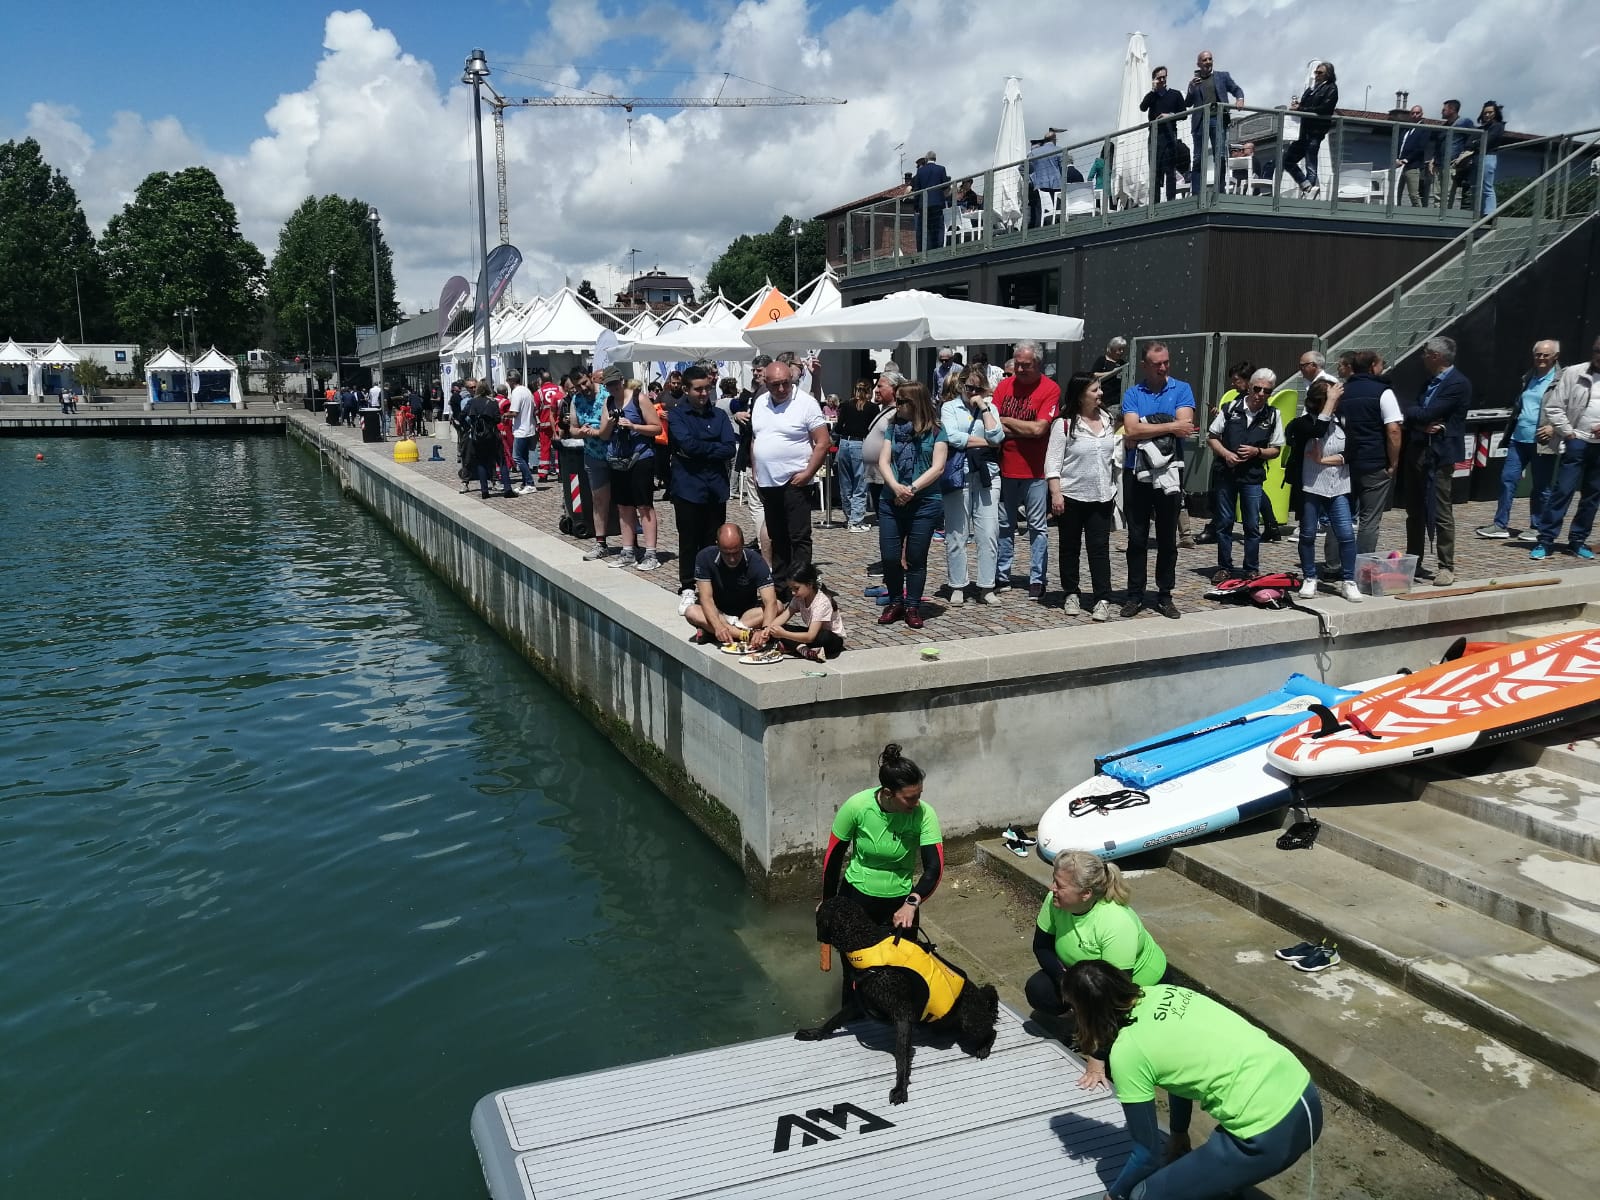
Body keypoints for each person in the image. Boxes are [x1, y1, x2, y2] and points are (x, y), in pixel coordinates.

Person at [1061, 960, 1322, 1200]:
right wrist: (1178, 1131)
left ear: (1086, 1013)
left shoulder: (1127, 1053)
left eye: (1073, 1008)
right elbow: (1179, 1075)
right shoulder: (1164, 992)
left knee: (1142, 1194)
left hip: (1265, 1135)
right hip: (1304, 1095)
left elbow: (1146, 1155)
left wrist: (1114, 1196)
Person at [1024, 851, 1169, 1088]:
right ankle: (1083, 1022)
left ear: (1086, 894)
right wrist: (1068, 984)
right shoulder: (1055, 901)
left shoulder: (1115, 923)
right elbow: (1042, 947)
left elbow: (1116, 999)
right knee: (1039, 990)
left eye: (1059, 885)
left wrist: (1096, 1058)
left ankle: (1101, 1036)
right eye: (1054, 880)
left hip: (1134, 989)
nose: (1052, 888)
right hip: (1088, 978)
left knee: (1120, 1059)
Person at [820, 742, 942, 932]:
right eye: (910, 798)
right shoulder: (856, 806)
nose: (917, 803)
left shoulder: (925, 814)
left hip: (901, 903)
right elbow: (833, 859)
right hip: (855, 896)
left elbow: (934, 868)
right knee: (857, 961)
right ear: (888, 793)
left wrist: (912, 903)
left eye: (919, 795)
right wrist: (828, 903)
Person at [1121, 343, 1196, 619]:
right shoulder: (1133, 393)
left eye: (1166, 362)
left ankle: (1165, 594)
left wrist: (1146, 427)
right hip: (1136, 472)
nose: (1163, 367)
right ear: (1145, 365)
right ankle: (1135, 594)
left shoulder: (1181, 389)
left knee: (1167, 538)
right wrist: (1169, 425)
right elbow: (1130, 428)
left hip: (1169, 472)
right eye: (1157, 364)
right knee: (1137, 537)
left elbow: (1185, 426)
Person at [751, 359, 830, 593]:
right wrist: (756, 468)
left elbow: (823, 442)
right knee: (777, 536)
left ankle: (802, 585)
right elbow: (756, 438)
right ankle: (781, 585)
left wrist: (807, 473)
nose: (782, 389)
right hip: (768, 482)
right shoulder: (760, 402)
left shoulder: (806, 403)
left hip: (795, 481)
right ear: (766, 382)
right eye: (775, 385)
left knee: (799, 537)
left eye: (785, 383)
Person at [876, 382, 950, 629]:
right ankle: (896, 601)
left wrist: (912, 489)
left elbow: (937, 467)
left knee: (916, 557)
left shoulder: (937, 431)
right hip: (891, 499)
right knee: (890, 557)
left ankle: (912, 605)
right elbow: (883, 461)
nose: (896, 405)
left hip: (925, 502)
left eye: (901, 401)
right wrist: (897, 487)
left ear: (915, 403)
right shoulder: (893, 427)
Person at [1046, 371, 1119, 620]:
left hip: (1101, 496)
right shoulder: (1064, 424)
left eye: (1099, 389)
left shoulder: (1108, 419)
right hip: (1072, 496)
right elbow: (1052, 464)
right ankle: (1071, 593)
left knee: (1099, 549)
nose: (1100, 394)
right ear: (1080, 396)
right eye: (1094, 390)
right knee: (1070, 547)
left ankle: (1102, 597)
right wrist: (1056, 494)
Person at [1322, 348, 1404, 567]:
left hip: (1344, 461)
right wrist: (1393, 463)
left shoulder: (1341, 391)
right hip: (1374, 462)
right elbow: (1394, 430)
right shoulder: (1383, 391)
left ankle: (1333, 564)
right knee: (1369, 519)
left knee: (1339, 514)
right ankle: (1360, 567)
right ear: (1372, 367)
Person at [1403, 336, 1473, 586]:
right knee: (1414, 511)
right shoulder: (1428, 383)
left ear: (1436, 357)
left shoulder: (1457, 384)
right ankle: (1414, 561)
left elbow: (1427, 412)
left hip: (1440, 455)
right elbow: (1414, 412)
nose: (1422, 358)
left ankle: (1446, 566)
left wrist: (1416, 416)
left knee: (1441, 510)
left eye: (1425, 353)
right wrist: (1419, 421)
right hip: (1419, 450)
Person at [995, 340, 1061, 599]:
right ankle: (1002, 574)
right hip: (1005, 468)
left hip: (1036, 471)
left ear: (1038, 364)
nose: (1020, 370)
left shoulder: (1050, 389)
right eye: (1018, 365)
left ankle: (1037, 578)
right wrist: (1023, 426)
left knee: (1037, 527)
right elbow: (992, 426)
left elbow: (1040, 430)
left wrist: (1007, 422)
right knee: (1004, 525)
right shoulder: (1003, 386)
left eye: (1026, 366)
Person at [668, 364, 738, 604]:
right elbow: (687, 445)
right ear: (687, 389)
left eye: (706, 388)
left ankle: (711, 584)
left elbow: (729, 447)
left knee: (712, 539)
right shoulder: (677, 414)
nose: (703, 393)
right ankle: (687, 585)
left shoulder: (718, 415)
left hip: (715, 487)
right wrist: (711, 448)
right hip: (688, 486)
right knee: (688, 538)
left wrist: (702, 450)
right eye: (698, 389)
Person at [1477, 340, 1560, 541]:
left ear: (1555, 357)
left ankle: (1538, 527)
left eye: (1545, 355)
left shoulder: (1561, 380)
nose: (1541, 358)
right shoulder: (1529, 377)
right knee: (1507, 479)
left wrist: (1553, 427)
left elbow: (1570, 408)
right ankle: (1500, 524)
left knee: (1541, 486)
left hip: (1542, 440)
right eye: (1538, 354)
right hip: (1519, 438)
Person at [1207, 368, 1284, 583]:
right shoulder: (1231, 408)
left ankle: (1251, 567)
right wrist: (1226, 454)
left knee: (1251, 524)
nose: (1260, 394)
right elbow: (1212, 437)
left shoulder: (1273, 414)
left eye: (1266, 391)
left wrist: (1257, 452)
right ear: (1249, 387)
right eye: (1257, 388)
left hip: (1252, 475)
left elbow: (1276, 449)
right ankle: (1224, 567)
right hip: (1227, 473)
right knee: (1224, 522)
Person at [1293, 379, 1363, 602]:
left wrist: (1325, 460)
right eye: (1332, 398)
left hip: (1339, 487)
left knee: (1345, 534)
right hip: (1311, 486)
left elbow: (1352, 452)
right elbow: (1317, 430)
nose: (1337, 401)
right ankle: (1310, 577)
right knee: (1308, 534)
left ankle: (1349, 580)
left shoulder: (1343, 420)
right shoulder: (1302, 424)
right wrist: (1329, 402)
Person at [1532, 334, 1600, 561]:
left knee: (1592, 495)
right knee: (1563, 490)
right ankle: (1545, 540)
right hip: (1576, 440)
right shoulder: (1574, 373)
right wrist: (1568, 432)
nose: (1598, 356)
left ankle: (1577, 540)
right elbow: (1554, 407)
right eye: (1597, 351)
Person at [941, 369, 1005, 606]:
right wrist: (986, 442)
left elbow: (997, 437)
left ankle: (987, 586)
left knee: (989, 532)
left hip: (987, 475)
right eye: (969, 387)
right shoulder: (949, 407)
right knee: (956, 532)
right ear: (961, 386)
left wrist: (985, 408)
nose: (974, 393)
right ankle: (958, 584)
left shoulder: (991, 408)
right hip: (960, 474)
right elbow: (953, 437)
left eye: (979, 388)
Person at [683, 523, 782, 646]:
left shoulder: (756, 561)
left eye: (736, 552)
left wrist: (764, 630)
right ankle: (743, 635)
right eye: (726, 553)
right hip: (718, 613)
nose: (732, 559)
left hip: (746, 616)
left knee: (778, 606)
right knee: (691, 611)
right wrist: (718, 626)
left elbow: (770, 601)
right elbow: (706, 598)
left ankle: (713, 631)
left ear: (743, 544)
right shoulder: (705, 557)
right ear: (717, 545)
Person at [604, 369, 662, 571]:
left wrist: (634, 426)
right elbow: (604, 435)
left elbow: (657, 428)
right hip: (618, 460)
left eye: (615, 384)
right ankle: (628, 550)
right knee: (623, 506)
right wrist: (610, 425)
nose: (613, 388)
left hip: (640, 457)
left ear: (622, 381)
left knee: (644, 505)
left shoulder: (639, 398)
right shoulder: (609, 402)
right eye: (608, 385)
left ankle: (651, 553)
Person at [569, 369, 618, 560]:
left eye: (584, 382)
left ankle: (632, 544)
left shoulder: (607, 394)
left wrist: (598, 432)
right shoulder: (576, 400)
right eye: (578, 386)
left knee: (624, 501)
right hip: (593, 455)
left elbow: (613, 424)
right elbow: (572, 428)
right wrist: (580, 431)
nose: (583, 388)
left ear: (590, 378)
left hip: (615, 452)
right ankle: (600, 543)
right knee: (599, 500)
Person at [1185, 50, 1245, 193]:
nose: (1208, 62)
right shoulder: (1194, 82)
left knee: (1220, 155)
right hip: (1200, 122)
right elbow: (1187, 103)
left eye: (1210, 59)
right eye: (1204, 60)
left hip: (1218, 119)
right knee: (1198, 158)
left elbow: (1236, 89)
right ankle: (1196, 193)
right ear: (1198, 64)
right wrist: (1191, 89)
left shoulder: (1222, 76)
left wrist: (1240, 99)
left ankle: (1220, 190)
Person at [763, 563, 846, 662]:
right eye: (791, 589)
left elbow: (811, 636)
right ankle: (805, 650)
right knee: (779, 628)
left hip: (830, 639)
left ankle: (795, 646)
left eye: (796, 588)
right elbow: (784, 616)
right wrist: (767, 630)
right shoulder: (799, 598)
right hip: (812, 635)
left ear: (809, 585)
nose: (793, 592)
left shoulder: (821, 602)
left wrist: (784, 634)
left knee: (823, 637)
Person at [1283, 62, 1338, 196]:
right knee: (1287, 160)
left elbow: (1324, 109)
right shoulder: (1313, 88)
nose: (1317, 75)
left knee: (1310, 162)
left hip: (1316, 131)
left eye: (1320, 73)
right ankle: (1307, 185)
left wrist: (1301, 108)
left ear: (1328, 74)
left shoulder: (1331, 88)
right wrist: (1298, 106)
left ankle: (1309, 187)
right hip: (1304, 130)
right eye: (1316, 72)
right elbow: (1305, 105)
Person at [1139, 67, 1186, 203]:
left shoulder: (1175, 94)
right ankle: (1155, 204)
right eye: (1159, 78)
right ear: (1154, 80)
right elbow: (1142, 107)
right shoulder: (1152, 96)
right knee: (1154, 172)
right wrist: (1153, 91)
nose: (1163, 80)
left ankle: (1170, 201)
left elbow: (1183, 114)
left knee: (1170, 171)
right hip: (1154, 137)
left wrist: (1169, 115)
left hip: (1170, 135)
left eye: (1164, 77)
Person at [835, 381, 877, 532]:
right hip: (860, 444)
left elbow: (839, 427)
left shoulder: (846, 405)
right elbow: (873, 429)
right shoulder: (872, 408)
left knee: (845, 483)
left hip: (844, 444)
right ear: (869, 391)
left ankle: (849, 517)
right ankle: (856, 521)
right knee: (860, 483)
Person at [463, 382, 516, 499]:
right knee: (501, 461)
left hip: (479, 437)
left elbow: (469, 418)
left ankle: (484, 491)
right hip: (493, 435)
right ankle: (507, 489)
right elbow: (497, 419)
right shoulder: (492, 402)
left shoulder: (473, 402)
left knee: (481, 462)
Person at [1434, 99, 1478, 211]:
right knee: (1437, 193)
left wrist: (1465, 154)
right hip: (1439, 164)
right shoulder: (1444, 126)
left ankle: (1445, 216)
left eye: (1444, 109)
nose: (1441, 112)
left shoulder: (1464, 122)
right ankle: (1436, 214)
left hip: (1452, 163)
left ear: (1452, 110)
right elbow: (1438, 144)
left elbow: (1474, 137)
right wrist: (1433, 160)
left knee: (1448, 193)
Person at [506, 370, 539, 492]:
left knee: (517, 457)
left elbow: (514, 412)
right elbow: (534, 408)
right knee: (524, 458)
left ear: (512, 380)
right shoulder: (527, 391)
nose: (508, 383)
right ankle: (525, 483)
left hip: (521, 430)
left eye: (508, 380)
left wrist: (504, 415)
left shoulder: (516, 393)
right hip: (530, 427)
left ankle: (530, 483)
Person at [910, 149, 950, 251]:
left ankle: (926, 250)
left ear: (927, 159)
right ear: (935, 159)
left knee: (925, 227)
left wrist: (916, 206)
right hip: (937, 203)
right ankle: (938, 248)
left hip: (923, 204)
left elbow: (917, 190)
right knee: (938, 227)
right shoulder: (941, 169)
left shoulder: (920, 171)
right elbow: (946, 186)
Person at [1395, 105, 1433, 206]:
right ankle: (1395, 215)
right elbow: (1399, 145)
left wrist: (1407, 159)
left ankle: (1419, 216)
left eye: (1417, 113)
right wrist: (1396, 159)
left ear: (1422, 114)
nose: (1415, 115)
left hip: (1413, 166)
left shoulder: (1424, 128)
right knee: (1395, 193)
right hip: (1399, 166)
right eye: (1413, 113)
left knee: (1413, 195)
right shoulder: (1406, 129)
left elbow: (1421, 147)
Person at [1474, 101, 1506, 215]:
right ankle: (1480, 210)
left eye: (1490, 112)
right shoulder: (1482, 128)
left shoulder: (1497, 126)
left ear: (1495, 113)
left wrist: (1475, 143)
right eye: (1485, 113)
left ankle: (1490, 213)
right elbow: (1470, 142)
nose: (1487, 115)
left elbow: (1488, 141)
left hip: (1488, 157)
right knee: (1478, 186)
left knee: (1487, 186)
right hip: (1478, 157)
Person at [1027, 129, 1065, 227]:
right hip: (1056, 184)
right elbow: (1063, 168)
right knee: (1058, 208)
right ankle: (1058, 227)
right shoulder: (1059, 150)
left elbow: (1024, 167)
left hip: (1040, 184)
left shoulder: (1034, 152)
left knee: (1040, 209)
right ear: (1054, 139)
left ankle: (1039, 230)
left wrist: (1032, 178)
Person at [1288, 349, 1337, 415]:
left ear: (1313, 365)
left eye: (1303, 365)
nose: (1300, 369)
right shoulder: (1308, 382)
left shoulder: (1329, 382)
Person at [1091, 336, 1128, 415]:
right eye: (1119, 349)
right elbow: (1094, 374)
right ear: (1112, 348)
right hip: (1105, 397)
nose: (1121, 352)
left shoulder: (1122, 363)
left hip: (1118, 398)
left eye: (1123, 349)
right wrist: (1111, 373)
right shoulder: (1102, 360)